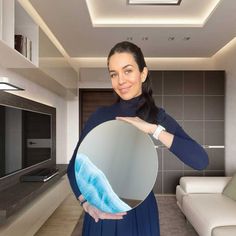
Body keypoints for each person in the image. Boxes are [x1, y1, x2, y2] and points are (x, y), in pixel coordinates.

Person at [67, 41, 209, 236]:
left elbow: (200, 160)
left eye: (127, 71)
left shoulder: (158, 117)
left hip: (140, 213)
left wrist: (153, 129)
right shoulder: (99, 116)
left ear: (143, 73)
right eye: (113, 74)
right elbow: (73, 166)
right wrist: (85, 202)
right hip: (102, 214)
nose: (120, 80)